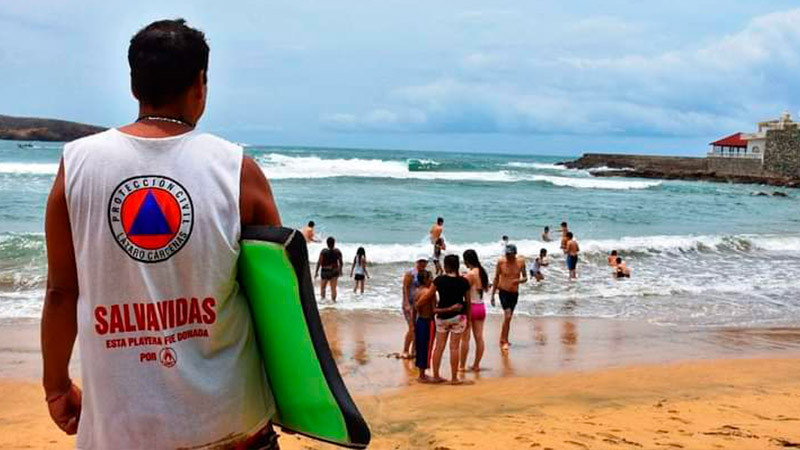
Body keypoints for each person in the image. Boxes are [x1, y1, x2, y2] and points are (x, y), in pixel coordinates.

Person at [40, 19, 281, 449]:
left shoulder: (76, 166)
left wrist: (56, 385)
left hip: (122, 431)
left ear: (134, 85)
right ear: (200, 84)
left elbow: (61, 291)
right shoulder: (237, 171)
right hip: (231, 423)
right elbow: (278, 298)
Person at [431, 255, 471, 384]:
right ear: (457, 266)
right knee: (454, 348)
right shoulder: (464, 282)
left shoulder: (439, 280)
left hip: (442, 317)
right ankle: (454, 378)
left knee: (439, 347)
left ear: (446, 266)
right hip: (458, 317)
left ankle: (436, 375)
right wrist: (469, 319)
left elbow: (430, 295)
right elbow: (468, 302)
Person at [491, 244, 527, 350]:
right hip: (503, 292)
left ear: (514, 254)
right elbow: (496, 278)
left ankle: (503, 338)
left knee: (509, 317)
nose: (507, 256)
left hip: (514, 293)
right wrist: (493, 295)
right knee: (507, 315)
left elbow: (525, 278)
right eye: (506, 253)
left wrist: (518, 281)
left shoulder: (520, 262)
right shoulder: (501, 262)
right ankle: (504, 341)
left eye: (509, 254)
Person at [459, 249, 489, 372]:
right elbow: (485, 289)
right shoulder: (482, 272)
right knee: (479, 338)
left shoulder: (470, 274)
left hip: (470, 307)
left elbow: (462, 289)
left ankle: (461, 366)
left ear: (467, 260)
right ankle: (476, 365)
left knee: (465, 339)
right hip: (481, 307)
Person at [401, 256, 429, 359]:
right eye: (420, 261)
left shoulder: (426, 274)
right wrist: (406, 302)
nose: (422, 264)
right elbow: (405, 288)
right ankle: (405, 350)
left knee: (418, 329)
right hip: (410, 304)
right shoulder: (410, 273)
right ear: (417, 261)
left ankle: (414, 350)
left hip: (420, 305)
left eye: (424, 261)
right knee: (412, 328)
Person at [413, 270, 436, 382]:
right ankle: (422, 375)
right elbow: (434, 310)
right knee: (427, 348)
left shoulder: (417, 292)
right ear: (426, 280)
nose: (432, 280)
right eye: (430, 278)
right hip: (428, 322)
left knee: (420, 347)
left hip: (419, 321)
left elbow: (414, 309)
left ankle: (421, 373)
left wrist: (413, 324)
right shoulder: (429, 293)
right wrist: (451, 309)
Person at [315, 236, 343, 302]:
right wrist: (340, 271)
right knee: (333, 288)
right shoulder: (337, 251)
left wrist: (316, 271)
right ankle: (333, 302)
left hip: (325, 271)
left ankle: (323, 301)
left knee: (323, 288)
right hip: (334, 270)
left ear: (327, 243)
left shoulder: (324, 251)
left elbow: (319, 262)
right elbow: (341, 263)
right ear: (334, 243)